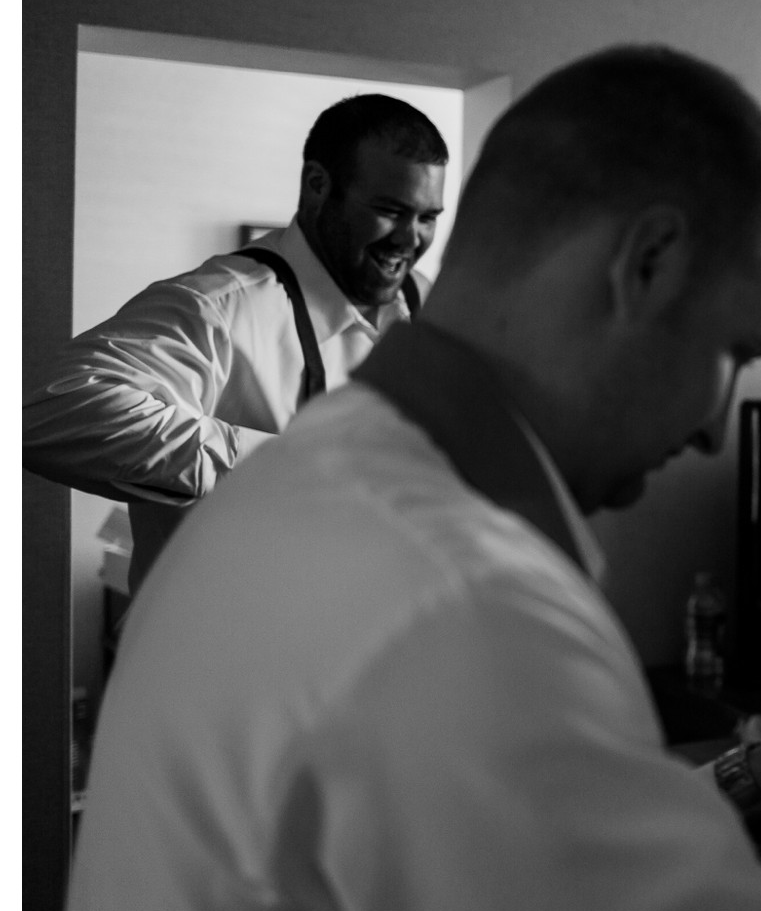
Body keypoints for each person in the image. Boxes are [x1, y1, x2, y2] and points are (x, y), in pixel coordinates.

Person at [60, 45, 761, 911]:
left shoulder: (301, 474)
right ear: (643, 265)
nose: (707, 430)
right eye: (732, 351)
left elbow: (510, 858)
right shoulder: (470, 606)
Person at [23, 94, 448, 592]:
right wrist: (286, 464)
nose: (410, 238)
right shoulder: (220, 305)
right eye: (389, 210)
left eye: (427, 217)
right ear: (317, 185)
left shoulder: (435, 304)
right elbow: (53, 411)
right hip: (219, 660)